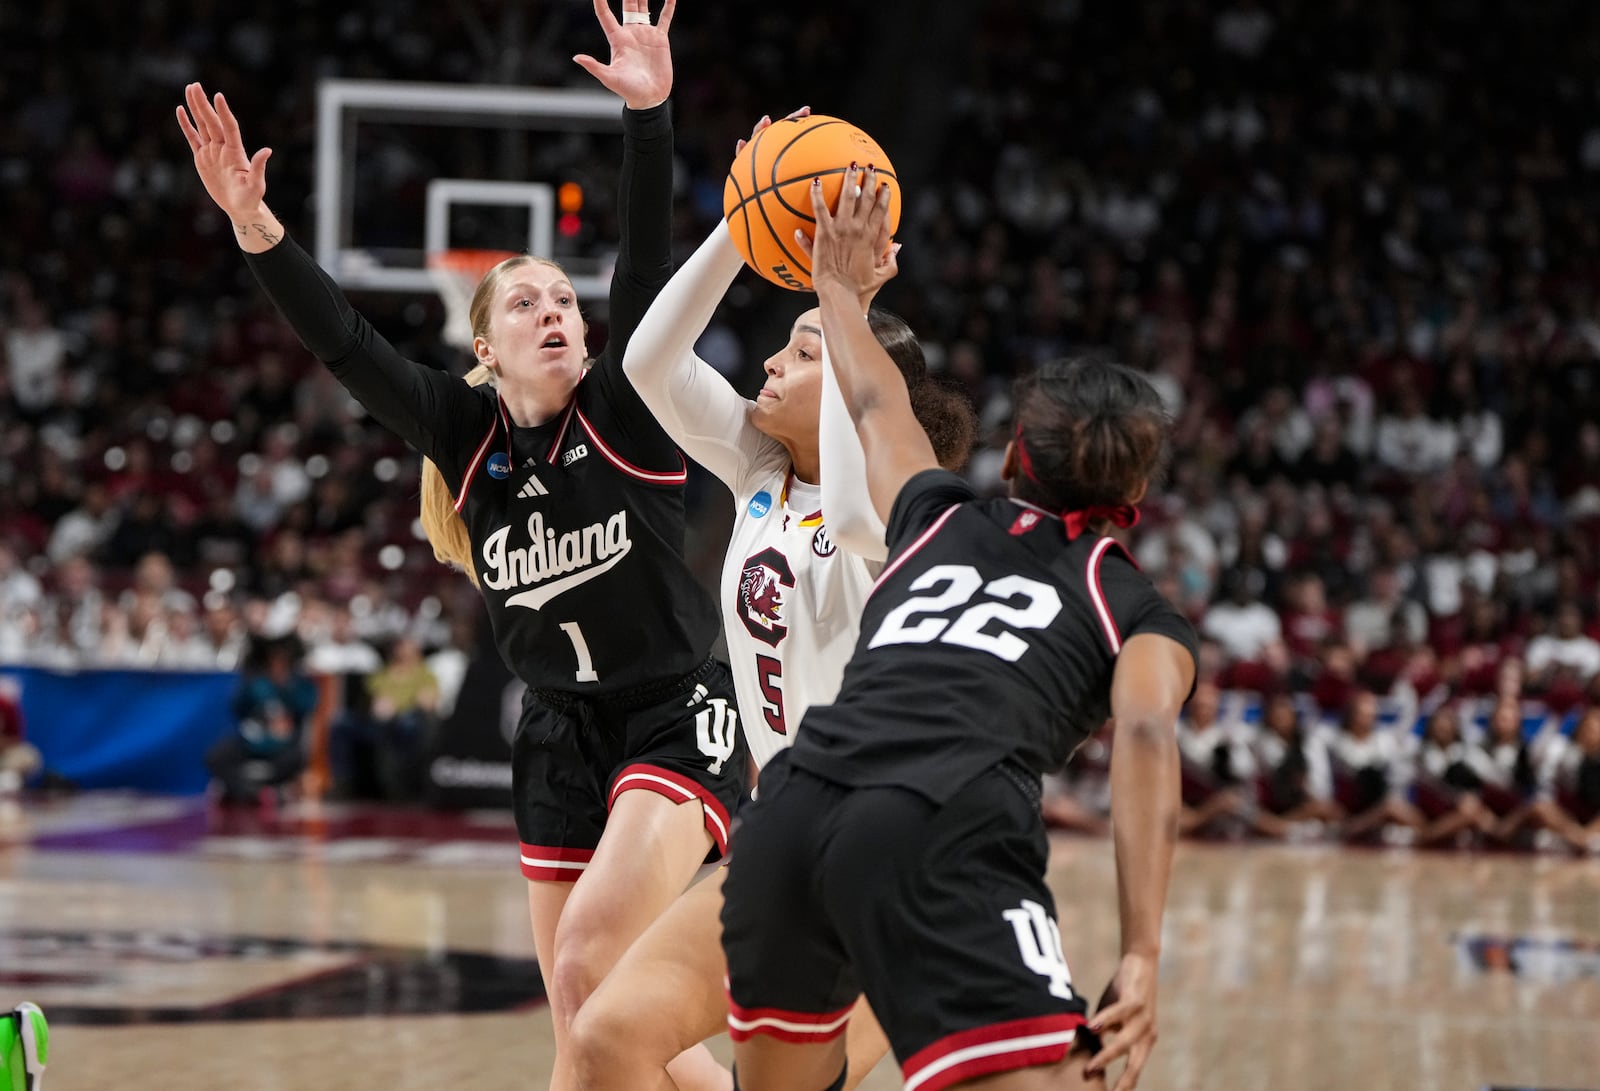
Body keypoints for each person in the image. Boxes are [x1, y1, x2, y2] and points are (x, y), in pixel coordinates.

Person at [176, 5, 747, 1088]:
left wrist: (650, 119)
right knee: (586, 1014)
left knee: (588, 966)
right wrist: (257, 228)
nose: (555, 313)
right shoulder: (460, 424)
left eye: (563, 301)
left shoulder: (625, 408)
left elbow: (644, 267)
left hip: (674, 713)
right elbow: (346, 344)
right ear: (483, 346)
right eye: (525, 301)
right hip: (556, 731)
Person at [719, 172, 1199, 1091]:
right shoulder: (1127, 601)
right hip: (936, 823)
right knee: (1072, 1078)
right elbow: (1144, 730)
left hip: (783, 814)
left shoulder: (935, 514)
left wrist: (837, 287)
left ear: (1014, 455)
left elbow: (870, 404)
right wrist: (1140, 949)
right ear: (1134, 497)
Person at [569, 115, 976, 1091]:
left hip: (887, 848)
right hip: (780, 832)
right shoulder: (760, 469)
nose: (766, 366)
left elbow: (846, 490)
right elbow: (645, 364)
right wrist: (743, 221)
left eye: (796, 354)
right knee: (606, 1036)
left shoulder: (892, 506)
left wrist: (838, 306)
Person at [206, 633, 317, 806]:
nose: (278, 665)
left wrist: (287, 688)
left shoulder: (300, 685)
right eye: (274, 659)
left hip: (282, 747)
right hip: (251, 742)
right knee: (216, 757)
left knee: (297, 758)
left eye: (282, 660)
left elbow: (307, 706)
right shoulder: (256, 683)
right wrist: (250, 688)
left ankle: (269, 791)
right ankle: (253, 793)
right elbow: (237, 708)